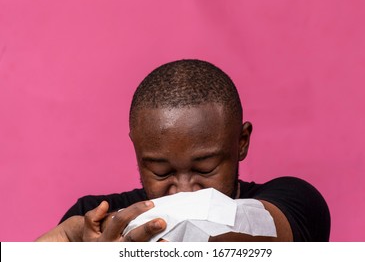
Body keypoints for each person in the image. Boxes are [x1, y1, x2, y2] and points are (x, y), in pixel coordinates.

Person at [36, 59, 330, 242]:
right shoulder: (94, 217)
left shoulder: (297, 202)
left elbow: (259, 228)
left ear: (241, 142)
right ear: (137, 150)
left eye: (205, 168)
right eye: (162, 171)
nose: (185, 191)